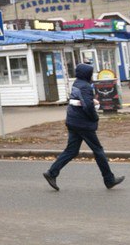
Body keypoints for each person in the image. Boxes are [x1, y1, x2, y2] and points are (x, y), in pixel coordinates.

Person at [43, 63, 125, 191]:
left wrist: (92, 101)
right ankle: (109, 180)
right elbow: (87, 106)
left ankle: (52, 173)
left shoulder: (77, 83)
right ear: (86, 74)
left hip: (73, 121)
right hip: (82, 123)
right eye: (90, 73)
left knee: (72, 151)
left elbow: (81, 100)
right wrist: (95, 117)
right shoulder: (86, 86)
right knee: (98, 151)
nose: (92, 75)